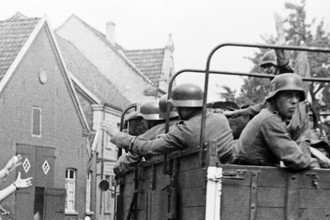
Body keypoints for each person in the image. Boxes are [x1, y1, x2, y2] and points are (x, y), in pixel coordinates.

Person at [103, 83, 235, 175]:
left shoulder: (185, 130)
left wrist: (116, 135)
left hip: (196, 176)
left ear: (184, 107)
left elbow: (149, 148)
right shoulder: (221, 119)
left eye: (177, 106)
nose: (176, 110)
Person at [232, 73, 319, 170]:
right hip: (251, 174)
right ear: (274, 98)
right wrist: (316, 163)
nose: (294, 101)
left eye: (297, 96)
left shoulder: (268, 116)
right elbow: (294, 157)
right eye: (288, 95)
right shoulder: (270, 120)